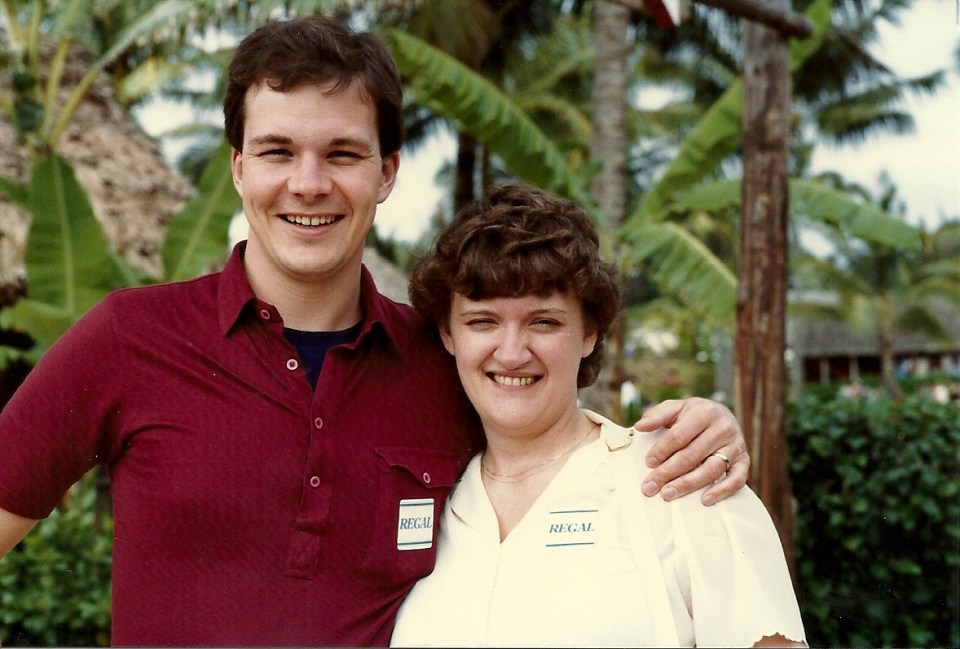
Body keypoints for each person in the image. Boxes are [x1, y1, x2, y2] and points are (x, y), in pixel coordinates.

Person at [0, 16, 748, 647]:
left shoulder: (446, 360)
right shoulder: (128, 338)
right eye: (277, 151)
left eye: (343, 154)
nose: (309, 182)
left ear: (387, 172)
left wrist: (706, 426)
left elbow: (557, 433)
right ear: (236, 167)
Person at [391, 184, 806, 647]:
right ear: (448, 335)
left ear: (589, 332)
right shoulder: (426, 497)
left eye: (543, 321)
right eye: (482, 321)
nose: (510, 353)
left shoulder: (680, 475)